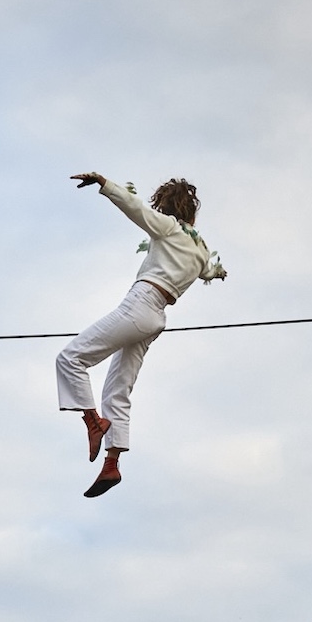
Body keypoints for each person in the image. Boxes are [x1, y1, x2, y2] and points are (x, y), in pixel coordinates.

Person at [54, 172, 226, 496]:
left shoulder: (169, 229)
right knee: (117, 390)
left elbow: (136, 209)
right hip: (157, 318)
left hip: (140, 304)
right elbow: (206, 270)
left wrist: (105, 185)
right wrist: (218, 273)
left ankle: (93, 422)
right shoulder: (200, 248)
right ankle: (112, 463)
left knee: (70, 358)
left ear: (168, 208)